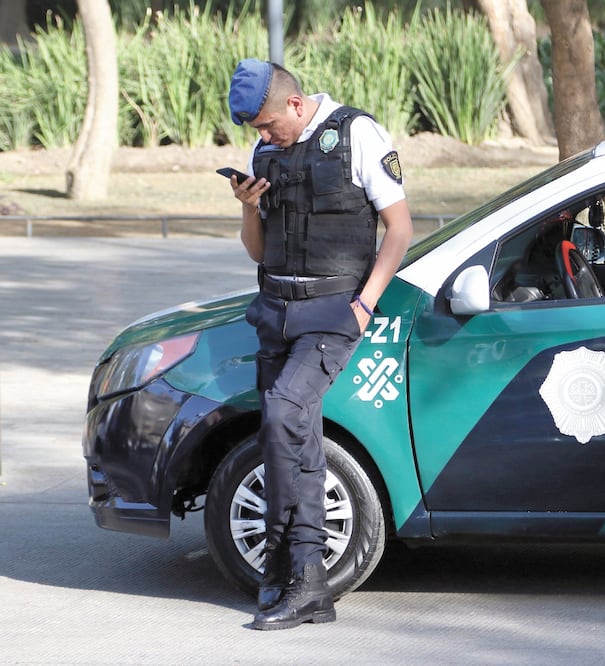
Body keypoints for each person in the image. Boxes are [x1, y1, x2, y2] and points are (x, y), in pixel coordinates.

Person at [225, 58, 414, 631]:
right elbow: (258, 252)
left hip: (334, 310)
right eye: (255, 131)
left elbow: (400, 228)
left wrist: (365, 304)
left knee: (285, 411)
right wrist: (249, 208)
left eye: (266, 124)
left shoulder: (357, 133)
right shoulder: (267, 154)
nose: (263, 137)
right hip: (275, 310)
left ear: (295, 104)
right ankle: (298, 574)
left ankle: (303, 574)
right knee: (288, 431)